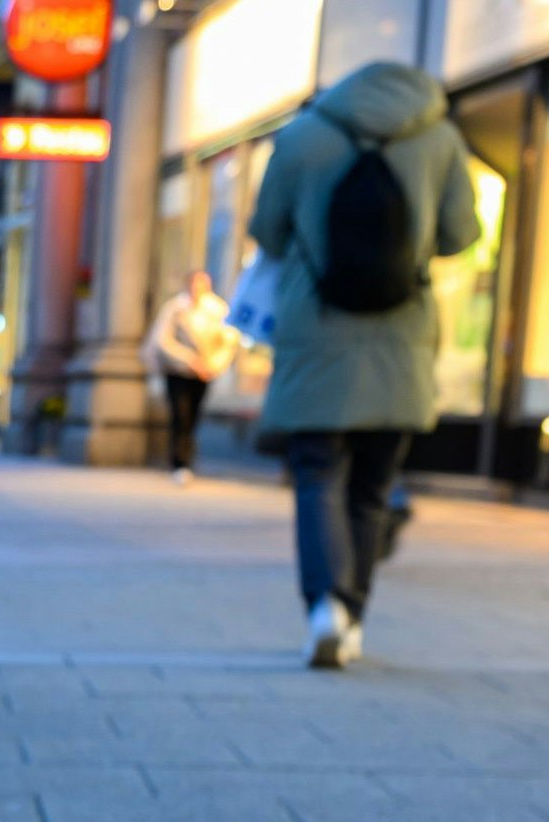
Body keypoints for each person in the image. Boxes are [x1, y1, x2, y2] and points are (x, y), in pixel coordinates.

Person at [249, 60, 478, 670]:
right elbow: (461, 234)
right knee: (372, 488)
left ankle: (324, 604)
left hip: (316, 325)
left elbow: (267, 233)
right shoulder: (441, 138)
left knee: (317, 472)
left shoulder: (301, 136)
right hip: (401, 332)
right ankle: (352, 617)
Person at [146, 270, 236, 484]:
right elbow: (162, 340)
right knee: (180, 415)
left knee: (193, 416)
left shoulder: (217, 309)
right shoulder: (175, 308)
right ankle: (179, 462)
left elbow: (228, 342)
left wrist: (213, 365)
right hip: (177, 371)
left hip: (204, 373)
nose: (198, 289)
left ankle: (186, 458)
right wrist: (189, 360)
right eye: (195, 284)